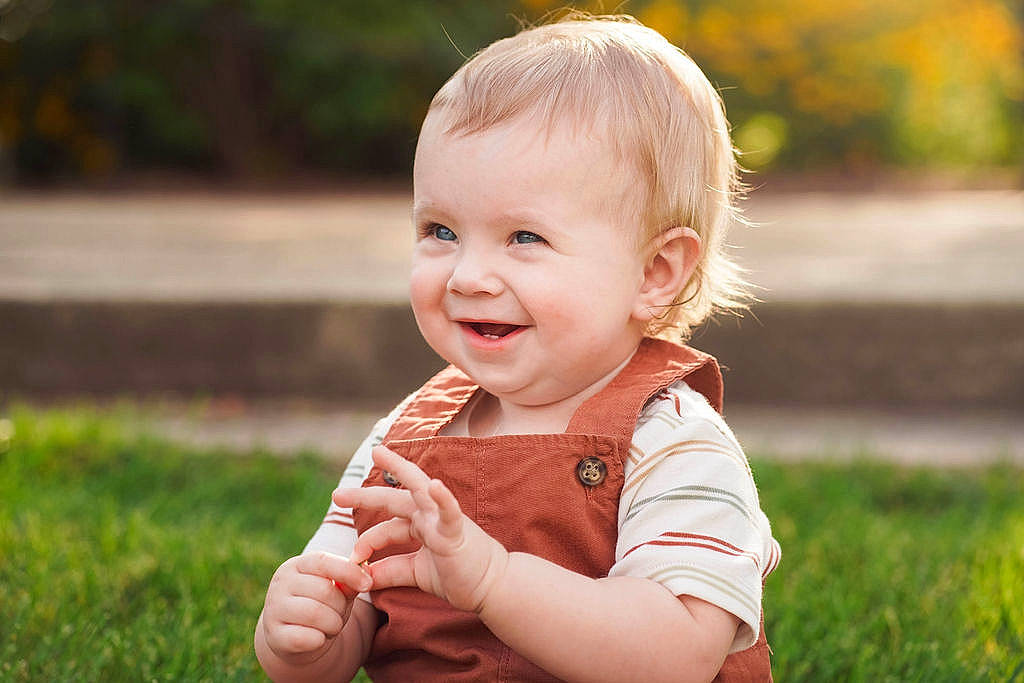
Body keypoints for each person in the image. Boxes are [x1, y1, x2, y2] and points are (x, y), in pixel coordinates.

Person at [255, 13, 780, 683]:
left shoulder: (676, 444)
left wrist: (493, 579)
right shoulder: (405, 439)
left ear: (655, 273)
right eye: (441, 230)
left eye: (525, 237)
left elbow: (675, 654)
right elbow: (347, 618)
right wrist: (306, 634)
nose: (469, 274)